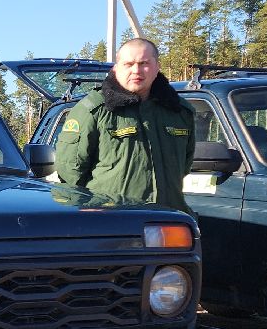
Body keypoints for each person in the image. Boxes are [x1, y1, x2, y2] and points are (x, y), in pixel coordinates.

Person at [54, 37, 195, 210]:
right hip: (113, 222)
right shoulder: (93, 110)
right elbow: (70, 174)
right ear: (115, 68)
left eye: (144, 63)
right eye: (128, 64)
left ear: (157, 67)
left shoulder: (179, 111)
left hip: (169, 221)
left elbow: (184, 166)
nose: (136, 70)